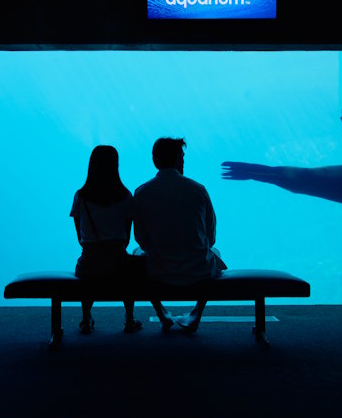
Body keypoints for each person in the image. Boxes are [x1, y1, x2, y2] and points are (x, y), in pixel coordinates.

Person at [133, 137, 227, 332]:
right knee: (214, 251)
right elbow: (211, 237)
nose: (184, 161)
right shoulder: (198, 190)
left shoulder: (141, 192)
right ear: (177, 159)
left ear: (155, 160)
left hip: (158, 269)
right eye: (182, 156)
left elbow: (141, 240)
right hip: (197, 270)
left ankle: (161, 312)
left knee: (136, 253)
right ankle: (196, 313)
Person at [70, 145, 143, 334]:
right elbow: (127, 238)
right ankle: (129, 318)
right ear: (115, 166)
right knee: (131, 267)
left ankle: (86, 318)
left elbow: (80, 237)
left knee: (88, 268)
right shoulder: (126, 196)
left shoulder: (81, 197)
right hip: (118, 263)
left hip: (89, 263)